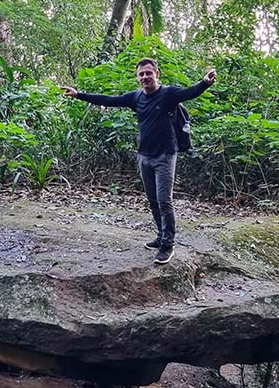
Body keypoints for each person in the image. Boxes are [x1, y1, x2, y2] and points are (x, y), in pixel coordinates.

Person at [62, 58, 216, 264]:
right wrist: (79, 94)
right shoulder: (135, 98)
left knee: (164, 200)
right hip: (144, 156)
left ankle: (167, 245)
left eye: (148, 73)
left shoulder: (168, 94)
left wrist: (205, 82)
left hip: (165, 156)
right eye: (141, 74)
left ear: (157, 74)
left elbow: (190, 92)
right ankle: (161, 235)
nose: (144, 77)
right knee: (153, 200)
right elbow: (108, 99)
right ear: (138, 77)